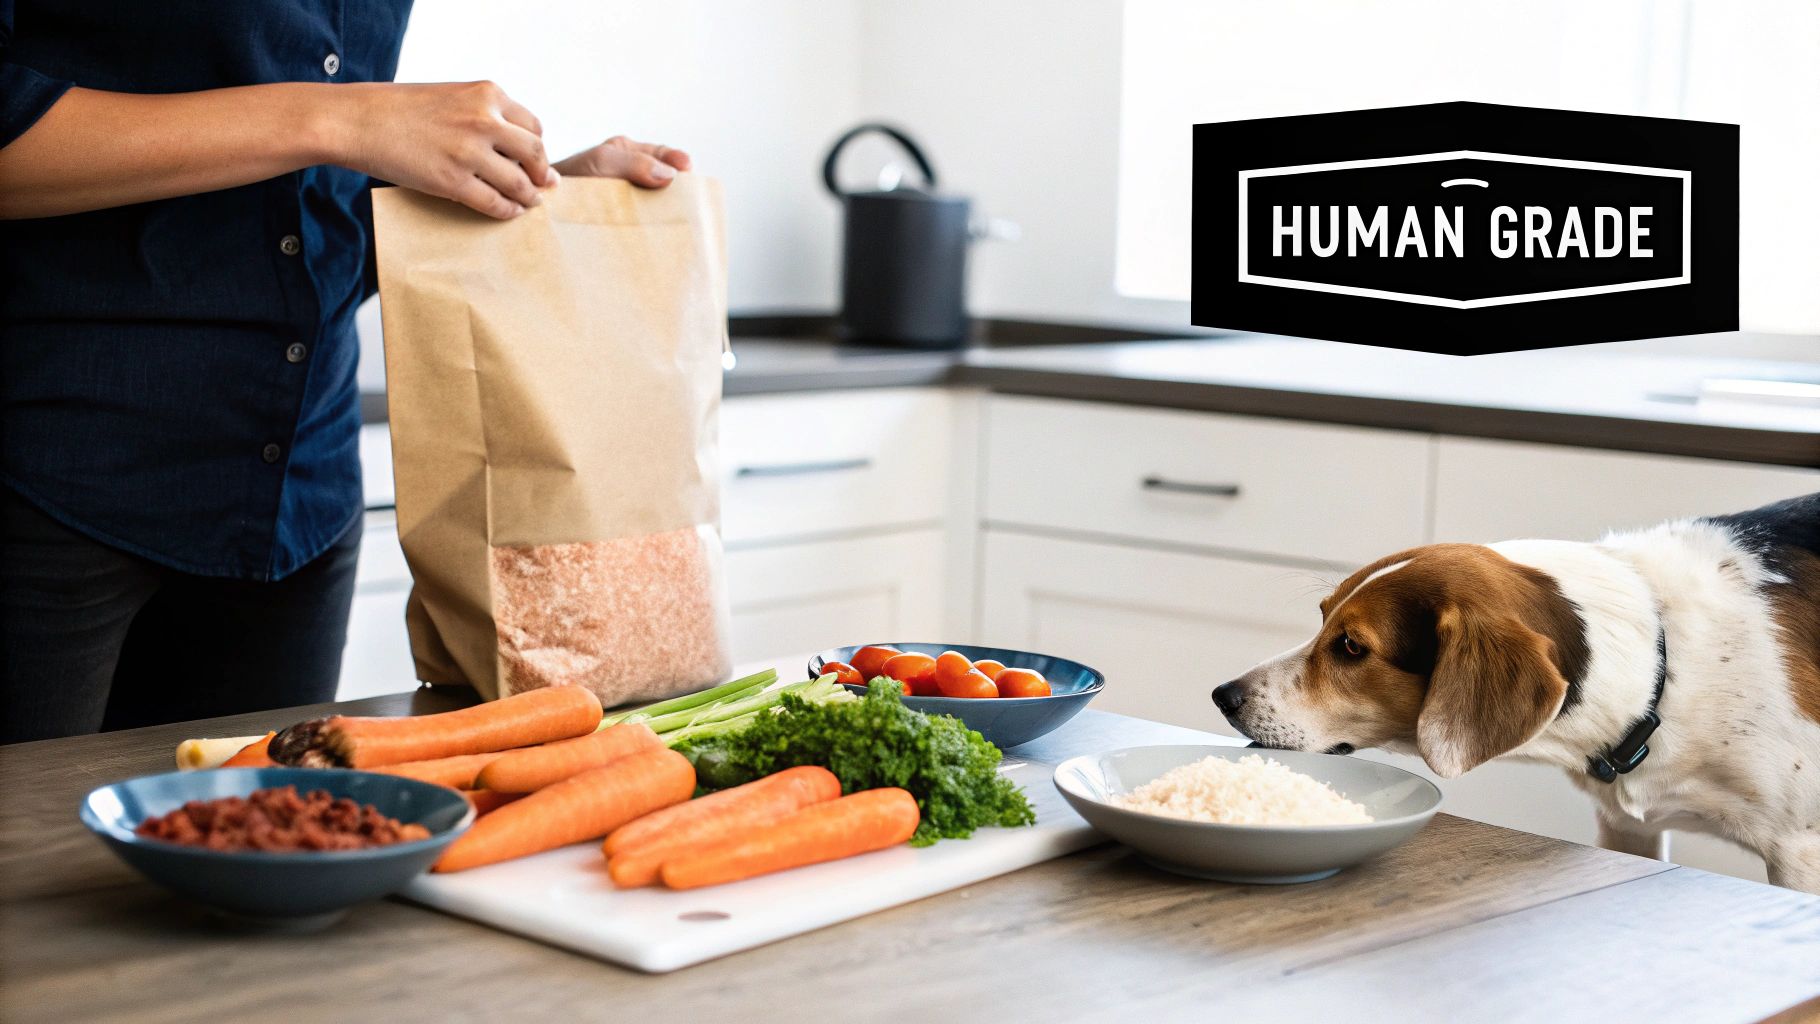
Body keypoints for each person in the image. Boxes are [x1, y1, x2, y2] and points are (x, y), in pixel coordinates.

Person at [0, 1, 690, 741]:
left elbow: (303, 215)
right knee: (34, 852)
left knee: (262, 838)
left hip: (300, 498)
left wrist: (532, 193)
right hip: (48, 485)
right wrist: (343, 119)